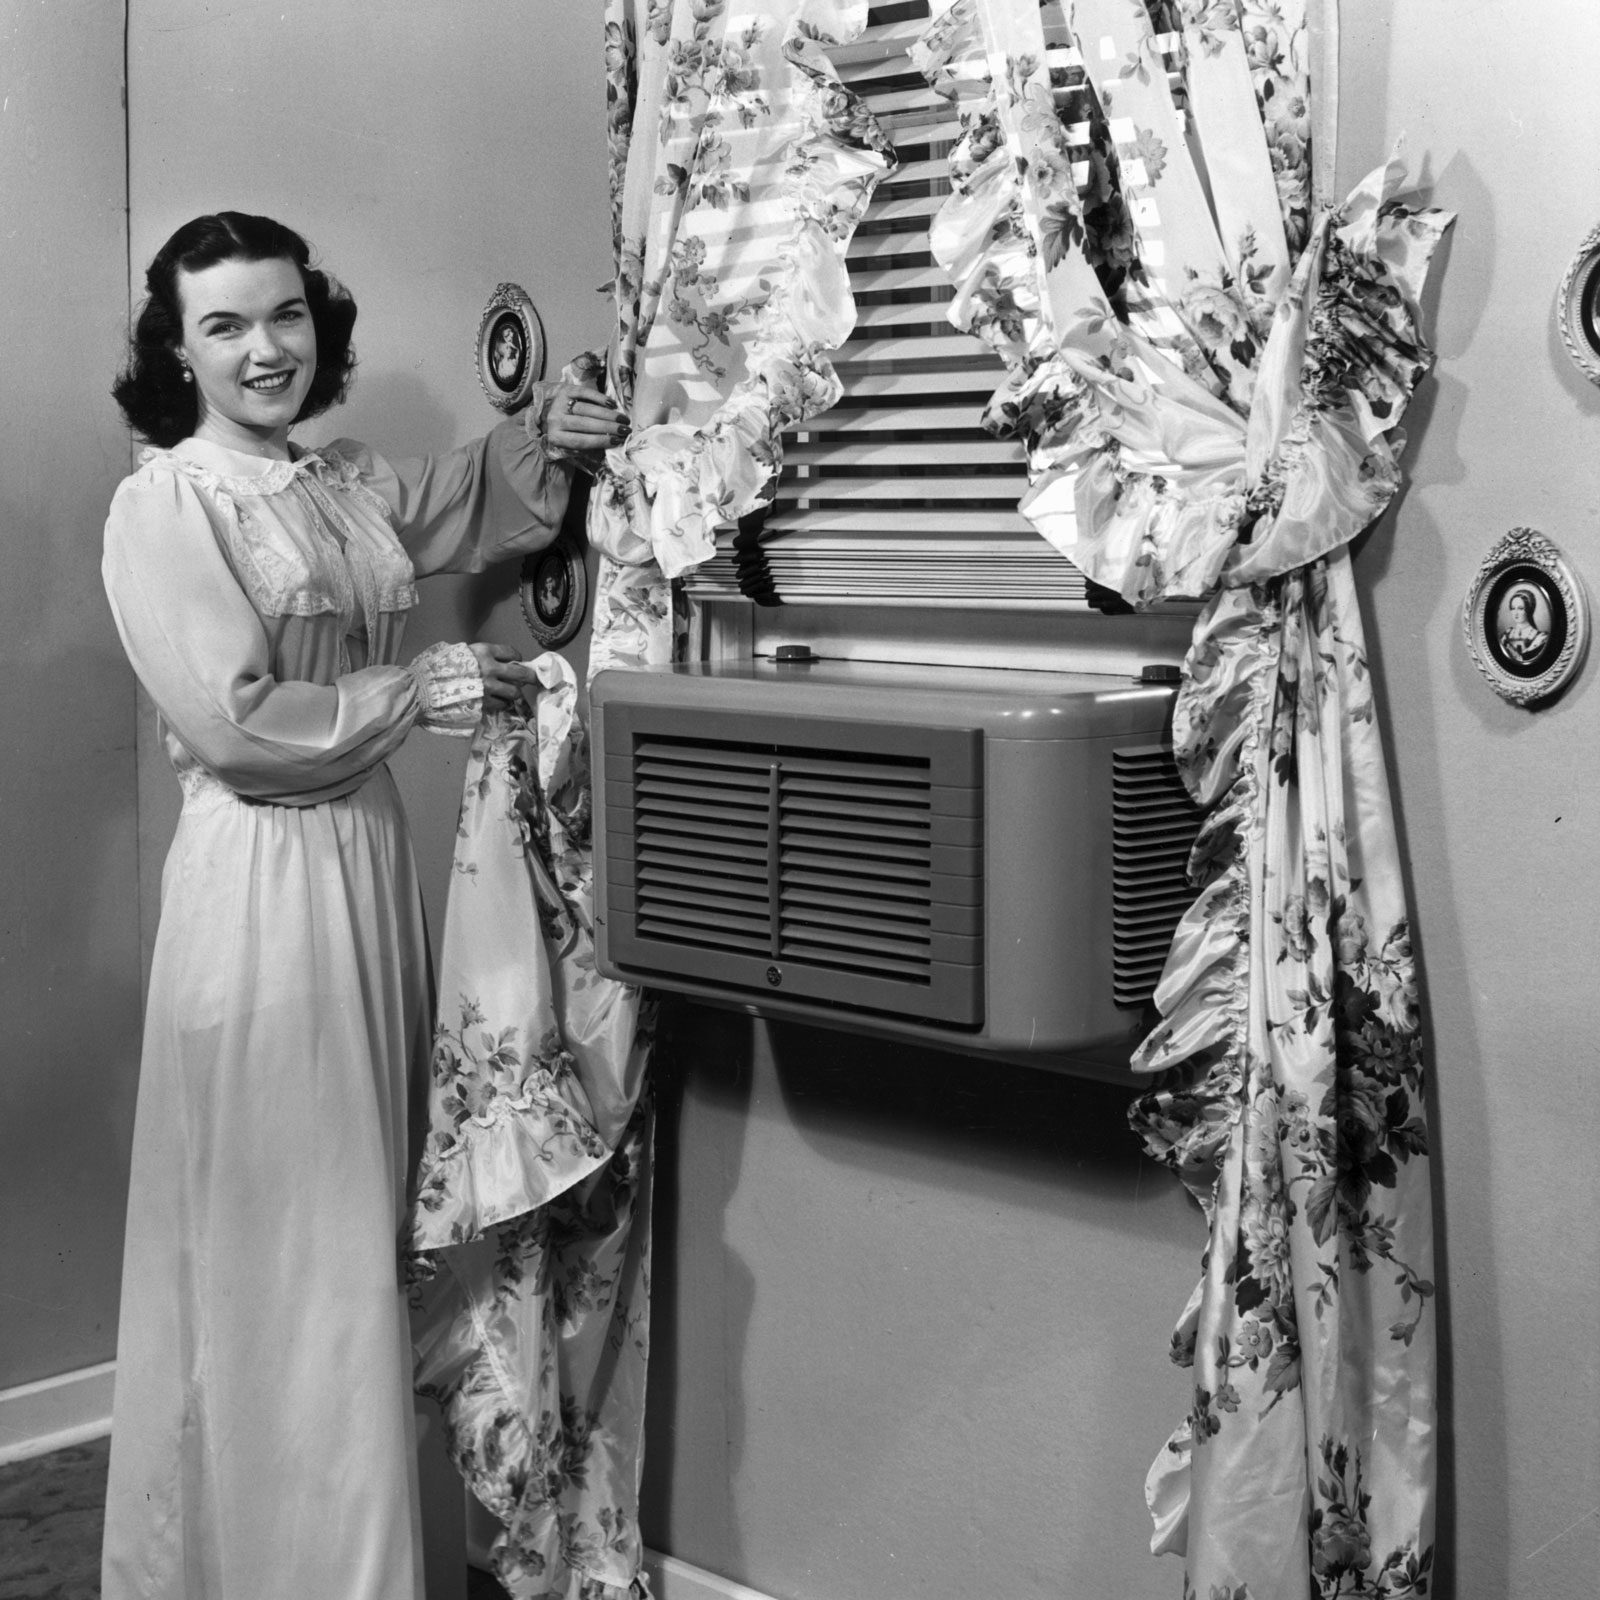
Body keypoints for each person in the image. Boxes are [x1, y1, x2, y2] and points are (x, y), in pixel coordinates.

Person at [98, 211, 626, 1600]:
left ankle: (360, 1555)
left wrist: (555, 439)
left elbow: (466, 501)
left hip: (368, 865)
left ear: (317, 322)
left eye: (284, 315)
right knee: (292, 1234)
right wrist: (420, 689)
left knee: (369, 1215)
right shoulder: (167, 505)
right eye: (222, 325)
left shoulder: (336, 480)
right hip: (259, 882)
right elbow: (238, 723)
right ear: (176, 350)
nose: (263, 349)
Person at [1499, 586, 1548, 666]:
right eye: (1513, 608)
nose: (1516, 613)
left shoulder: (1540, 638)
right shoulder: (1506, 635)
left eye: (1520, 608)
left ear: (1528, 610)